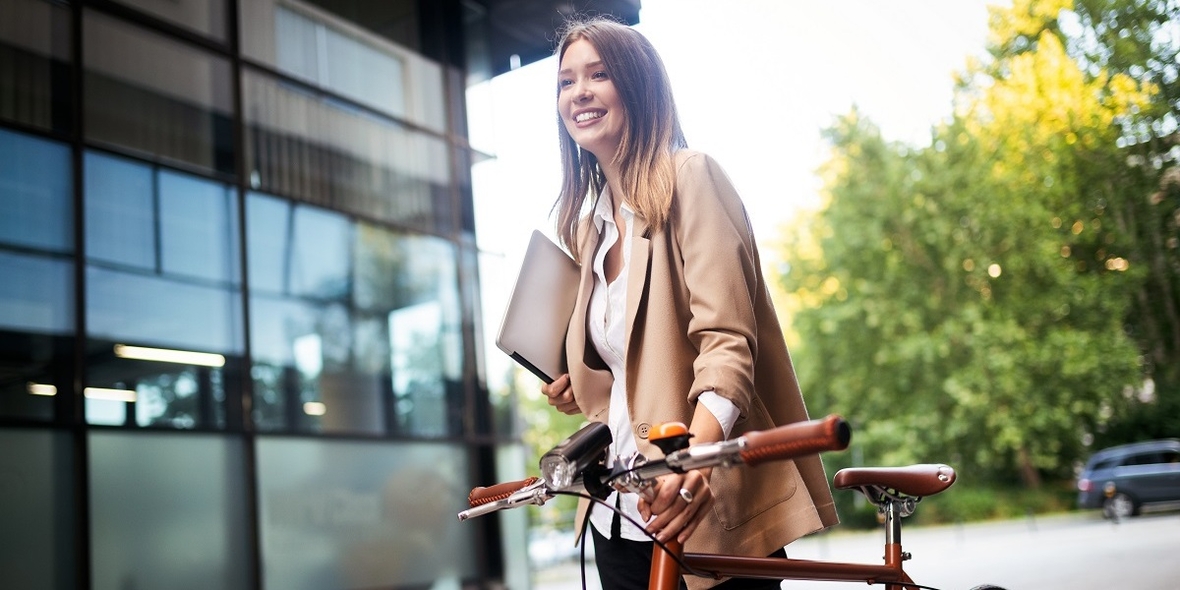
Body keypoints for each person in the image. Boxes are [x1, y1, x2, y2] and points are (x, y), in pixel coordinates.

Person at [538, 16, 839, 590]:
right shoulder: (588, 230)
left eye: (598, 75)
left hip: (701, 506)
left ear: (638, 85)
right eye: (566, 81)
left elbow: (726, 344)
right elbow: (635, 369)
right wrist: (582, 385)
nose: (579, 92)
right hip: (616, 514)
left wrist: (695, 461)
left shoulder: (691, 177)